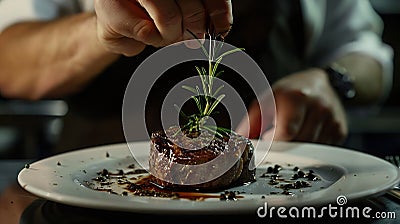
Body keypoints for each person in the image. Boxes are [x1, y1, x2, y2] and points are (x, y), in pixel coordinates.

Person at [0, 0, 393, 151]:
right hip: (96, 200)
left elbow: (367, 52)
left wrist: (332, 81)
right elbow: (9, 62)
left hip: (274, 196)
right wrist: (99, 32)